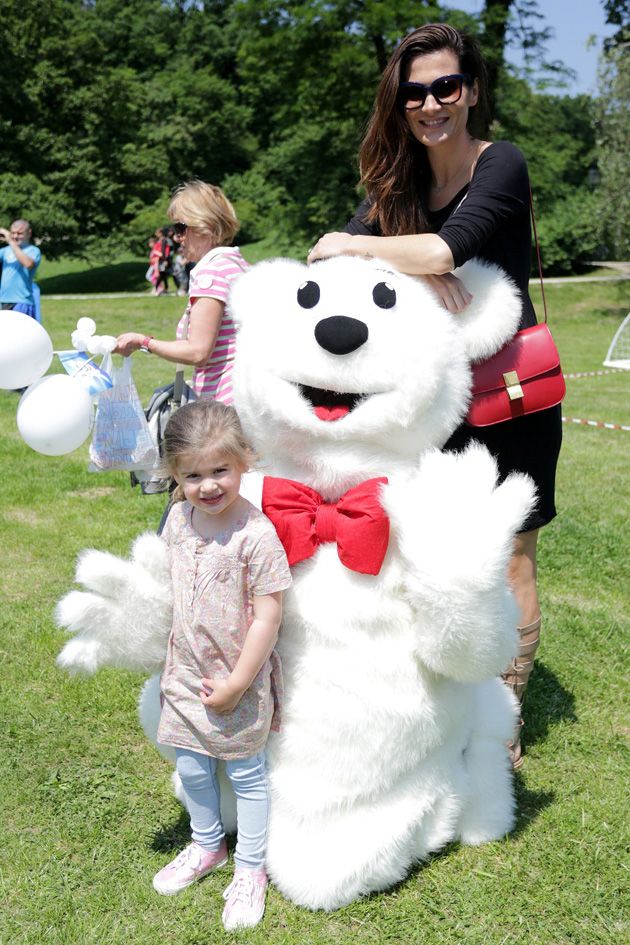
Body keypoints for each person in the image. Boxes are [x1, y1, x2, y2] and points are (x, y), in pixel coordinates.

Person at [308, 22, 562, 767]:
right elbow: (328, 258)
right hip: (432, 403)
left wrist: (379, 248)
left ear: (472, 90)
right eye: (414, 92)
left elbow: (444, 249)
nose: (430, 104)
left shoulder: (500, 164)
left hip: (511, 398)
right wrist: (391, 256)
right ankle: (440, 707)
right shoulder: (399, 186)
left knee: (510, 557)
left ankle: (503, 720)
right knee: (429, 554)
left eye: (445, 86)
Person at [153, 399, 292, 930]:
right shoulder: (179, 521)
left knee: (246, 773)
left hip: (238, 678)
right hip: (184, 672)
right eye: (192, 475)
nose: (207, 486)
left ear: (245, 462)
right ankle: (206, 844)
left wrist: (237, 682)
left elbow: (268, 616)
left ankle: (251, 868)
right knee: (190, 763)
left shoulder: (255, 537)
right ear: (174, 476)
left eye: (219, 471)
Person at [115, 181, 248, 404]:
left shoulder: (210, 273)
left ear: (204, 226)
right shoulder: (238, 264)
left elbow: (198, 352)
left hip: (223, 406)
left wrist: (144, 342)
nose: (177, 238)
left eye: (180, 228)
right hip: (245, 397)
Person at [0, 219, 42, 318]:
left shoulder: (33, 251)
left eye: (19, 233)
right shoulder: (5, 251)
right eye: (12, 233)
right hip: (4, 300)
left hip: (22, 302)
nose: (15, 236)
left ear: (29, 233)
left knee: (21, 333)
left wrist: (10, 241)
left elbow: (28, 264)